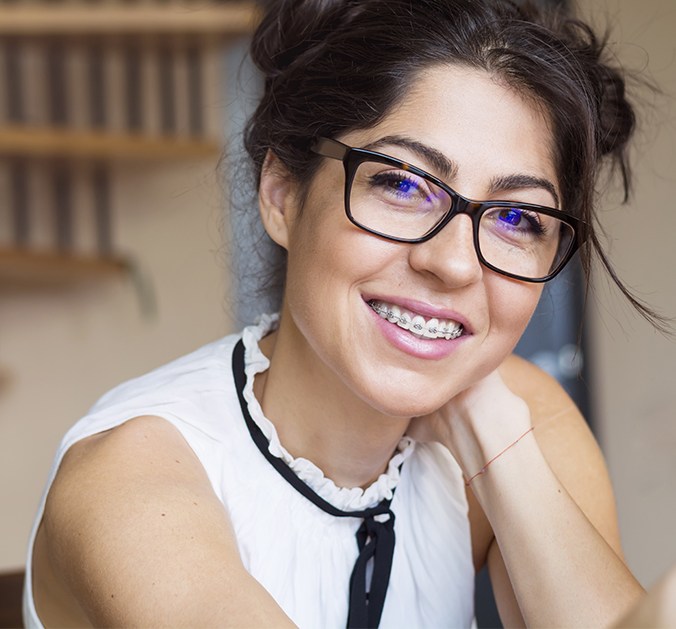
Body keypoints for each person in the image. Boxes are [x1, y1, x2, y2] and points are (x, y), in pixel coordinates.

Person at [23, 0, 664, 626]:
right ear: (281, 195)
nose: (454, 264)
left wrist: (494, 434)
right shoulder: (130, 478)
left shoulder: (522, 416)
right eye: (402, 183)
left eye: (517, 218)